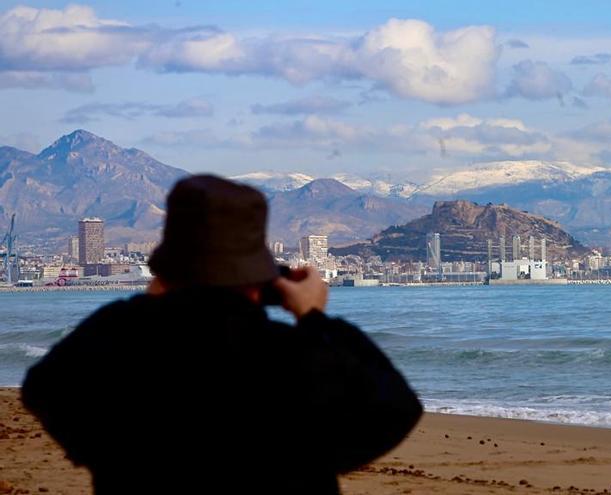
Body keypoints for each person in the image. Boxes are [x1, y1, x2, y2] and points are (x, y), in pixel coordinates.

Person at [21, 175, 423, 494]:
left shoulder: (119, 342)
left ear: (166, 270)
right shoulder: (290, 358)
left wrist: (102, 453)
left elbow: (43, 387)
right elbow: (396, 408)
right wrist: (313, 317)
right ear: (261, 279)